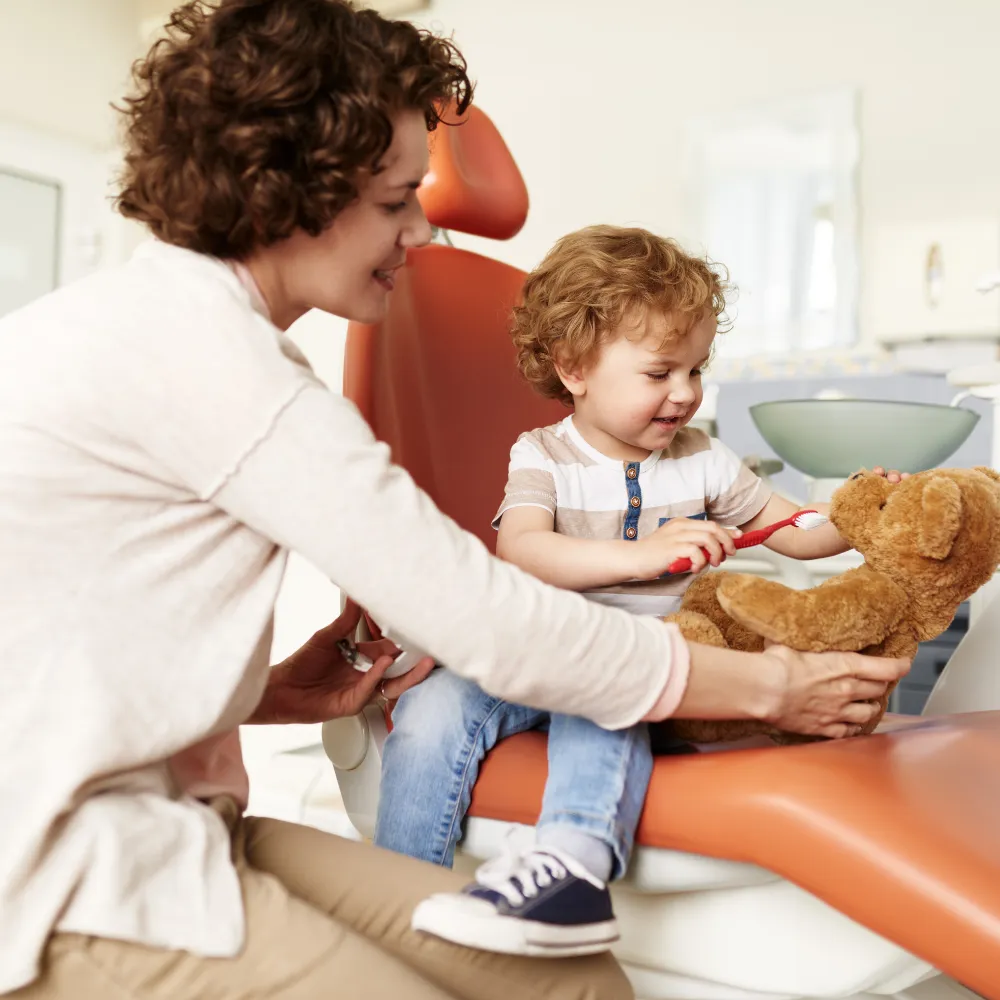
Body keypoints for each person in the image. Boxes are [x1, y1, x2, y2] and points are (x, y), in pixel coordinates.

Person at [0, 1, 910, 998]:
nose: (422, 225)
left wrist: (266, 692)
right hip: (65, 876)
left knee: (578, 985)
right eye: (396, 200)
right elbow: (493, 619)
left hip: (177, 825)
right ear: (288, 197)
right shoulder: (208, 362)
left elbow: (59, 647)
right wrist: (777, 686)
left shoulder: (162, 332)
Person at [375, 225, 909, 957]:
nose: (685, 394)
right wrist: (639, 554)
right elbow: (523, 551)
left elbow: (798, 530)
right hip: (537, 653)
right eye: (660, 373)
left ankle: (572, 869)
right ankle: (397, 904)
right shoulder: (544, 456)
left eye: (696, 370)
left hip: (647, 663)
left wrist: (858, 513)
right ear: (573, 369)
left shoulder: (706, 462)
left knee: (612, 691)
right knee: (432, 712)